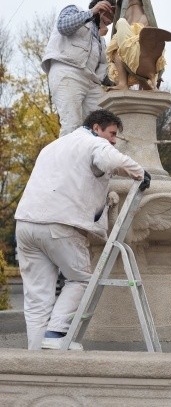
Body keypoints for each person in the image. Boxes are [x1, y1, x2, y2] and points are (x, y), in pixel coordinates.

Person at [15, 109, 150, 351]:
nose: (113, 140)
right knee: (82, 279)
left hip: (26, 224)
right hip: (60, 224)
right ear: (96, 127)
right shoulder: (92, 143)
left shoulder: (53, 146)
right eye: (112, 133)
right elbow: (112, 160)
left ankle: (35, 355)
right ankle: (56, 334)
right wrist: (140, 173)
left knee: (37, 296)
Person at [42, 0, 116, 136]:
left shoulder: (100, 40)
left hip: (91, 81)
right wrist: (92, 12)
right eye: (110, 15)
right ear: (102, 7)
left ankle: (94, 158)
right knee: (72, 124)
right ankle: (67, 159)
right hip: (68, 71)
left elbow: (102, 72)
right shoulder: (75, 9)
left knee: (104, 125)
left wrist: (123, 80)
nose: (110, 21)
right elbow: (63, 26)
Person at [101, 0, 171, 90]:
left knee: (136, 49)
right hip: (126, 25)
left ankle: (150, 80)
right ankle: (123, 84)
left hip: (139, 22)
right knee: (118, 54)